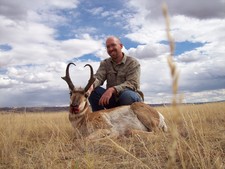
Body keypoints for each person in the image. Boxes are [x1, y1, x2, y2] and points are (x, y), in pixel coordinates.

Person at [88, 36, 143, 111]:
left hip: (131, 98)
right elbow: (98, 77)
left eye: (113, 45)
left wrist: (112, 89)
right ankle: (99, 120)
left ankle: (128, 121)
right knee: (94, 91)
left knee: (126, 96)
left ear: (121, 46)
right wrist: (91, 86)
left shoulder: (133, 63)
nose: (110, 49)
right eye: (108, 47)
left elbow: (132, 83)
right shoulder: (105, 63)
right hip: (113, 100)